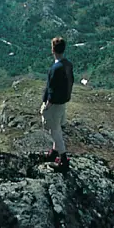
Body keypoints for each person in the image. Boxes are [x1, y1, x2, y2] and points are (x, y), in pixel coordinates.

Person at [41, 36, 74, 171]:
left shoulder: (55, 68)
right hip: (63, 102)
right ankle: (54, 152)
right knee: (57, 127)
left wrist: (47, 105)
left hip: (54, 104)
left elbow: (52, 89)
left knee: (54, 130)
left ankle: (63, 159)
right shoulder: (67, 64)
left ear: (53, 49)